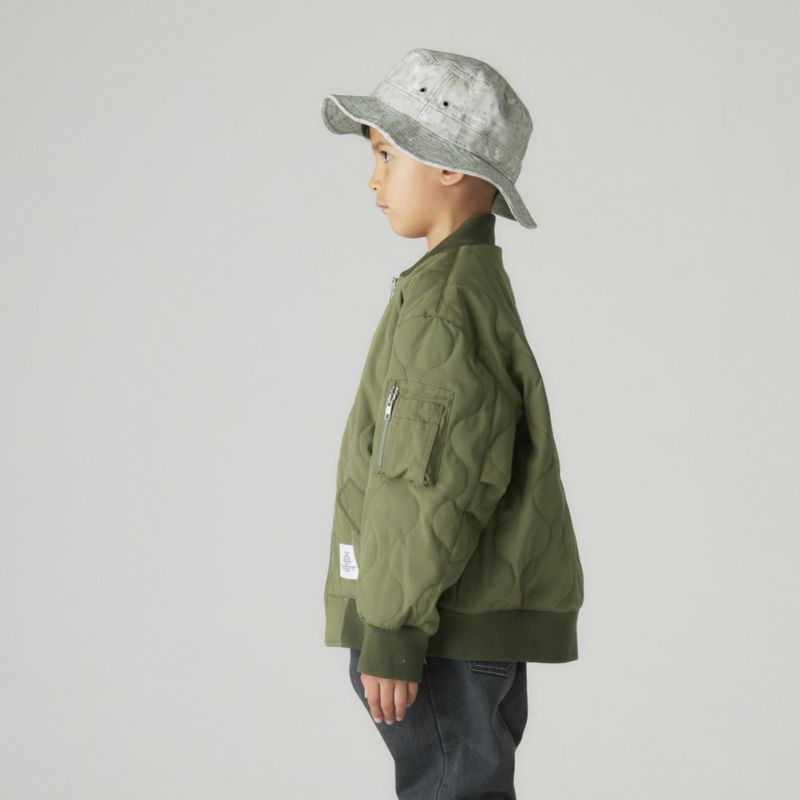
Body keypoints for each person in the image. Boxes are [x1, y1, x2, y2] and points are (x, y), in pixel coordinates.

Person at [320, 48, 584, 799]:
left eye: (385, 154)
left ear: (446, 166)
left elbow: (427, 482)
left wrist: (393, 626)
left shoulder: (443, 309)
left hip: (438, 620)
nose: (373, 180)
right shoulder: (469, 287)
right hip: (462, 612)